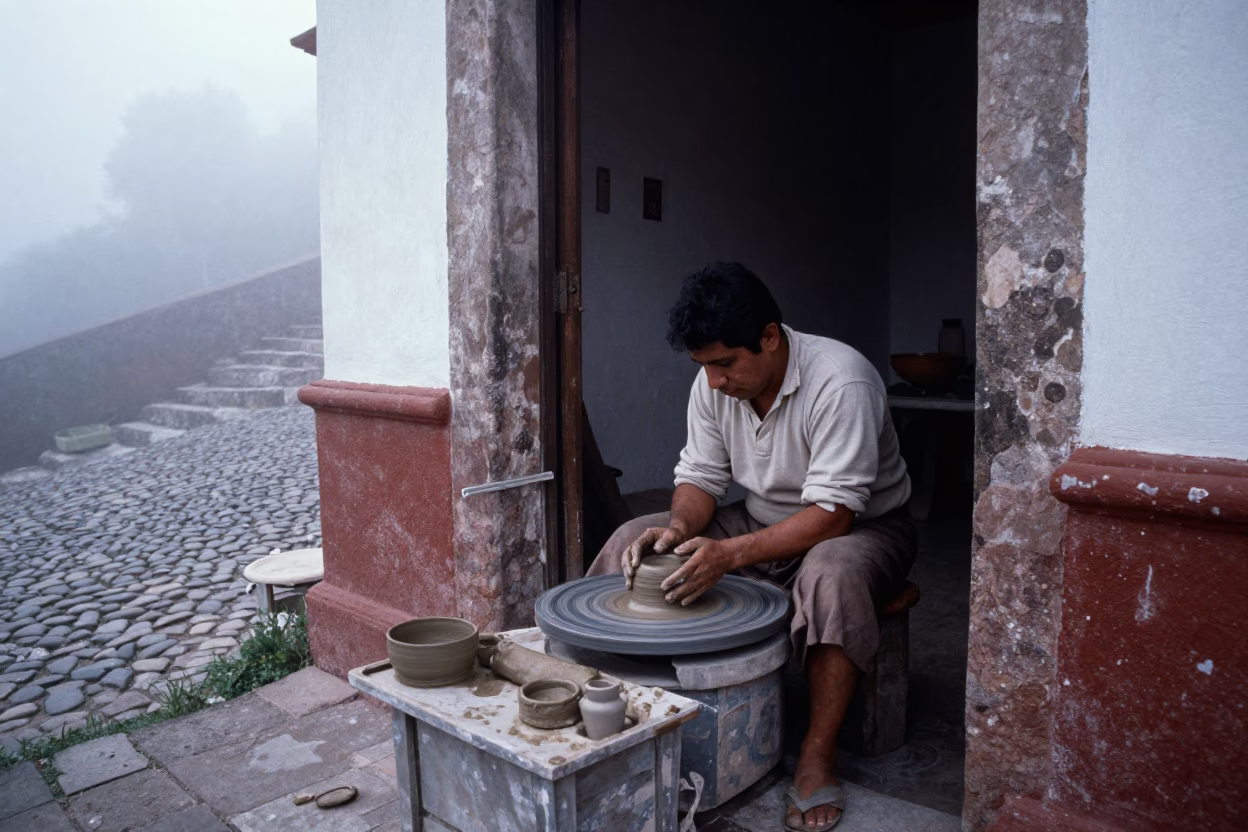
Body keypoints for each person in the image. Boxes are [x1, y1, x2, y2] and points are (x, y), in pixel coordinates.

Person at [587, 262, 915, 831]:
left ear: (769, 337)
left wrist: (731, 556)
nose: (714, 380)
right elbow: (701, 477)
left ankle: (816, 755)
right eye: (703, 366)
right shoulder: (715, 381)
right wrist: (681, 528)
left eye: (724, 363)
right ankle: (608, 704)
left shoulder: (842, 380)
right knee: (628, 541)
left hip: (865, 528)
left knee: (831, 572)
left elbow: (834, 515)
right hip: (760, 518)